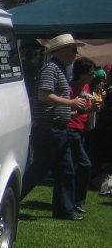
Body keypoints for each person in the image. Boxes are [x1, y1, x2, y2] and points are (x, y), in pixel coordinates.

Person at [21, 34, 89, 221]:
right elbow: (44, 95)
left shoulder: (58, 69)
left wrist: (72, 109)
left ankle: (64, 211)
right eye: (73, 50)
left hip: (58, 128)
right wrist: (71, 102)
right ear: (61, 51)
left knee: (66, 170)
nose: (76, 54)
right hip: (49, 129)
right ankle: (11, 199)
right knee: (39, 170)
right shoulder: (51, 69)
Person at [67, 57, 97, 214]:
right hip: (72, 129)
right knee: (83, 165)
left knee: (75, 166)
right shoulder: (70, 89)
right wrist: (84, 111)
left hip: (82, 129)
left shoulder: (85, 88)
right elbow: (66, 113)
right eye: (91, 73)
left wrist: (96, 107)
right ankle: (76, 201)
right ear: (82, 74)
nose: (93, 76)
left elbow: (88, 109)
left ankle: (74, 200)